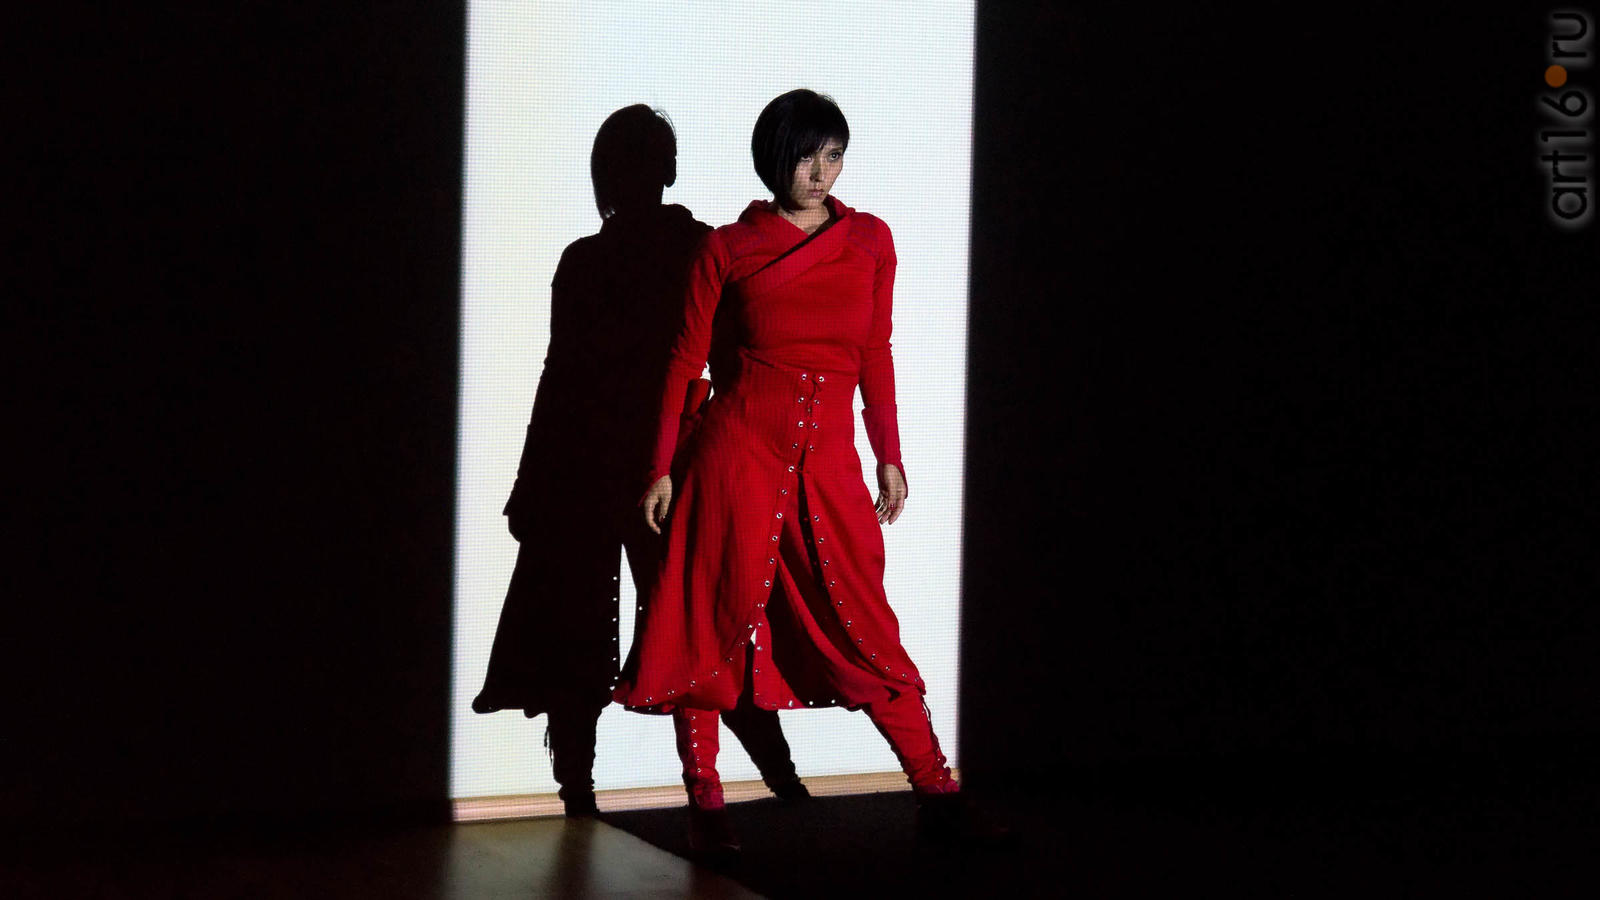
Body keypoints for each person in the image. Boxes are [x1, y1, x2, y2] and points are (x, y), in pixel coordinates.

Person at [618, 89, 1001, 850]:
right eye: (805, 157)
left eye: (833, 156)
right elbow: (683, 363)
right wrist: (660, 468)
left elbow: (875, 354)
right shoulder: (726, 248)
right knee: (707, 624)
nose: (820, 172)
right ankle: (707, 809)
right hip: (735, 460)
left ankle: (939, 796)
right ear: (774, 160)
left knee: (865, 626)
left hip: (827, 464)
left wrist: (889, 453)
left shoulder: (870, 241)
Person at [472, 105, 808, 819]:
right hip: (654, 464)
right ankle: (783, 785)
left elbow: (562, 378)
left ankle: (586, 794)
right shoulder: (692, 249)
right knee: (695, 627)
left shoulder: (605, 260)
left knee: (622, 629)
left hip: (605, 464)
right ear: (667, 168)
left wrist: (533, 481)